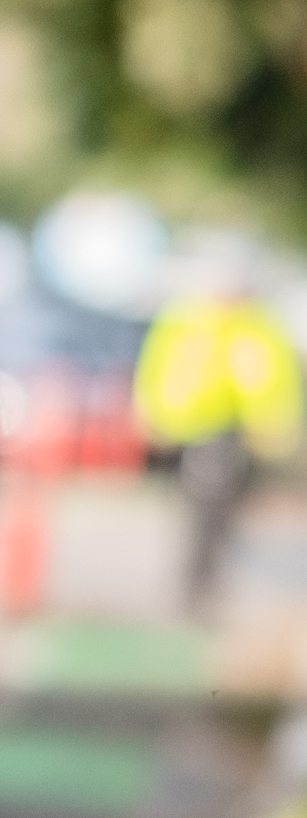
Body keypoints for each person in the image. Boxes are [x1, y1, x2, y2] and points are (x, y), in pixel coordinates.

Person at [134, 240, 301, 614]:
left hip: (231, 428)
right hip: (187, 423)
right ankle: (195, 581)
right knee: (196, 506)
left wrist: (275, 424)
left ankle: (203, 581)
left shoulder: (260, 324)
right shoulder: (184, 318)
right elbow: (156, 366)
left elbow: (275, 378)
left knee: (215, 506)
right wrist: (151, 413)